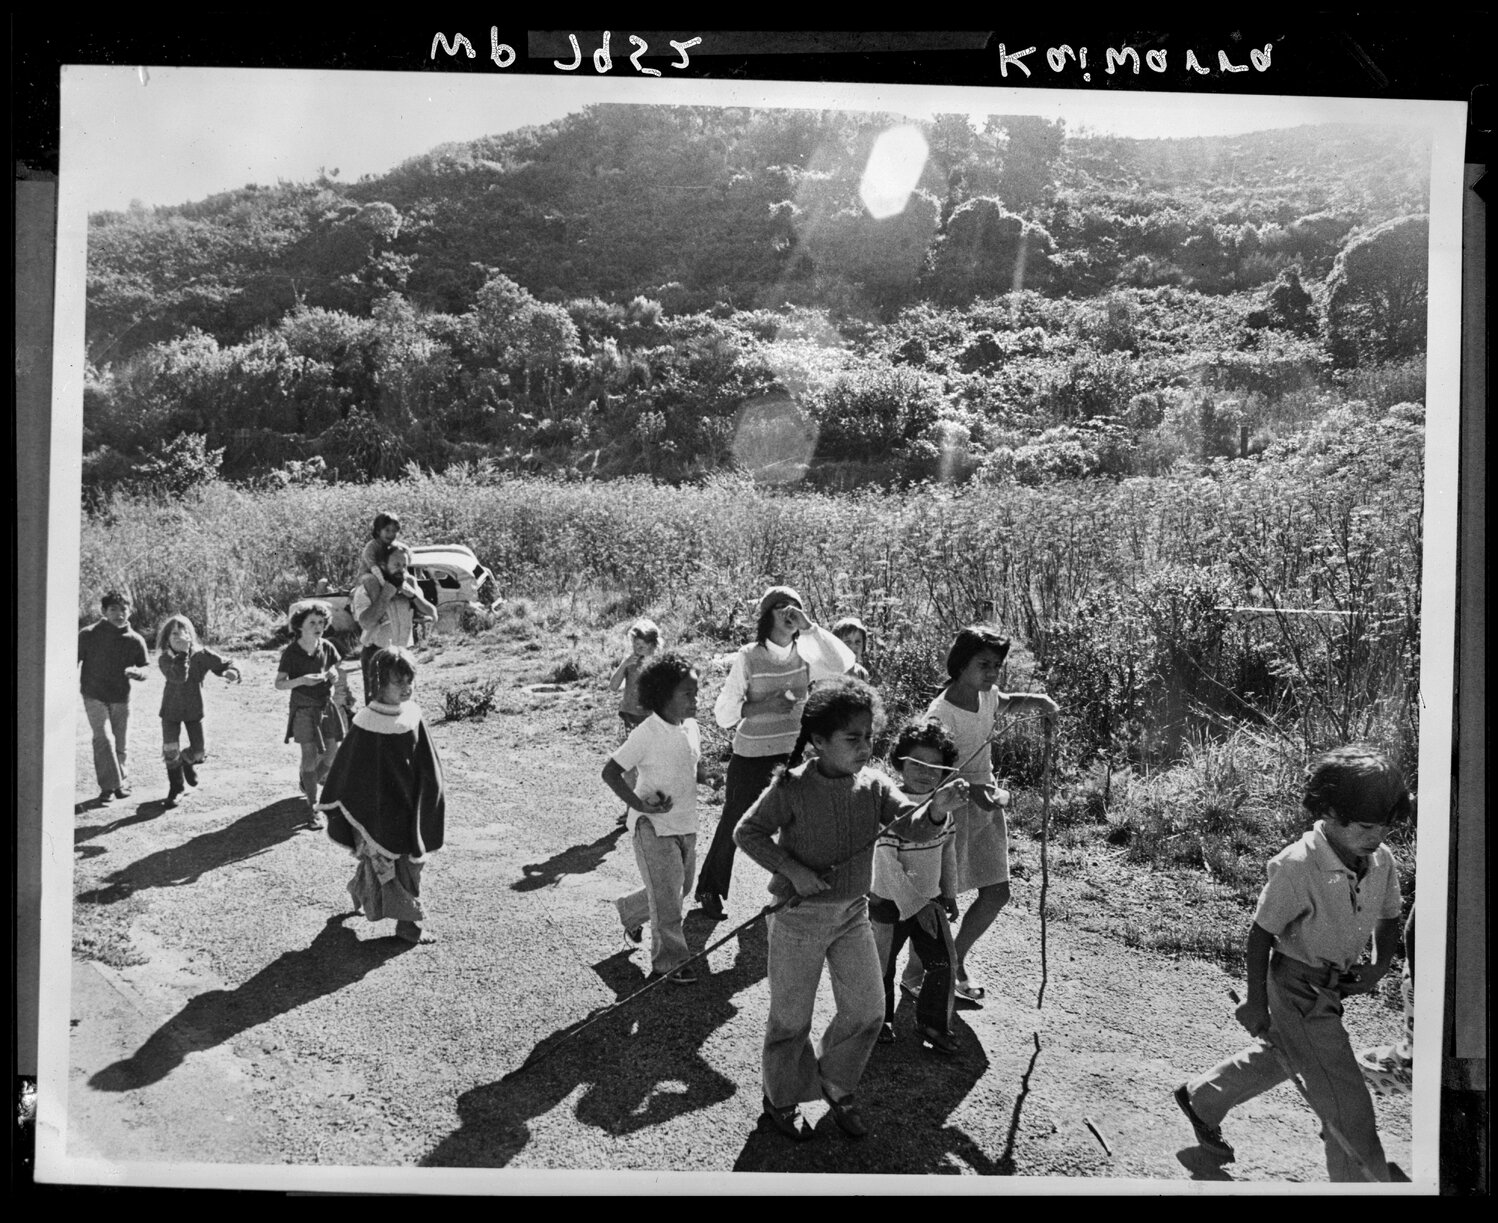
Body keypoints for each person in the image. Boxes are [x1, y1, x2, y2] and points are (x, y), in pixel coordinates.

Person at [734, 678, 963, 1142]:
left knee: (867, 1010)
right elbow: (747, 832)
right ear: (818, 742)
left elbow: (914, 826)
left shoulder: (875, 786)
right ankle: (780, 1096)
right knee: (791, 1019)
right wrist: (792, 870)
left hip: (852, 915)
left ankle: (836, 1082)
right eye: (851, 739)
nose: (864, 748)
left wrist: (936, 809)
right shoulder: (791, 787)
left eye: (869, 738)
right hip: (798, 917)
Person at [1174, 745, 1409, 1182]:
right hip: (1298, 987)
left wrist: (1377, 968)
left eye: (1385, 826)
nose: (1377, 836)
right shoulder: (1297, 866)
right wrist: (1255, 1002)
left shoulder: (1380, 860)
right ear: (1333, 812)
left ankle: (1204, 1099)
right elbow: (1261, 934)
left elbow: (1391, 917)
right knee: (1346, 1104)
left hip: (1332, 985)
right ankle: (1364, 1184)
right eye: (1366, 826)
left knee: (1289, 1052)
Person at [902, 625, 1057, 1006]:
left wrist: (1040, 702)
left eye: (997, 665)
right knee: (936, 897)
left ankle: (954, 961)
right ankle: (915, 973)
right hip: (948, 807)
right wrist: (971, 793)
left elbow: (1006, 702)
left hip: (985, 803)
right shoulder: (941, 714)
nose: (991, 672)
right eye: (983, 664)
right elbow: (929, 772)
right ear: (960, 664)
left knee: (997, 891)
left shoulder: (986, 696)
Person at [695, 586, 854, 921]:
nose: (789, 614)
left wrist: (810, 627)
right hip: (751, 756)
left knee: (796, 827)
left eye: (794, 608)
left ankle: (785, 893)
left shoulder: (807, 654)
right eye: (781, 608)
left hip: (791, 755)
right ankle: (710, 889)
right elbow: (724, 715)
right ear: (767, 616)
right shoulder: (749, 656)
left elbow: (842, 664)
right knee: (735, 824)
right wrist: (763, 705)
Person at [317, 646, 446, 945]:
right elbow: (352, 770)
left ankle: (360, 888)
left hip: (410, 806)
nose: (406, 688)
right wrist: (350, 806)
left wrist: (431, 793)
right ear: (378, 684)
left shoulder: (411, 714)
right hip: (381, 811)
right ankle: (408, 927)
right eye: (397, 682)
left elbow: (427, 760)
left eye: (409, 680)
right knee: (401, 868)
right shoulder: (367, 722)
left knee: (409, 863)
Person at [601, 653, 708, 984]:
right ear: (663, 696)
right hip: (653, 828)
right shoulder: (646, 733)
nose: (696, 699)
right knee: (668, 903)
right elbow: (611, 772)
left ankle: (630, 911)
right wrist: (640, 806)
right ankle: (670, 962)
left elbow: (692, 765)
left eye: (696, 691)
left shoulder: (691, 727)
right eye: (688, 694)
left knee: (680, 890)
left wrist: (708, 778)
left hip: (686, 824)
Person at [870, 718, 962, 1052]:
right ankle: (878, 1022)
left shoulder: (944, 809)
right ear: (900, 763)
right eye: (917, 764)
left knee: (942, 962)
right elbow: (887, 867)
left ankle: (933, 1024)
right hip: (888, 903)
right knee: (881, 964)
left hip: (929, 899)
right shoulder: (891, 809)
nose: (925, 773)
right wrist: (916, 906)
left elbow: (948, 851)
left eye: (935, 766)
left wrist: (948, 892)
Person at [154, 614, 241, 807]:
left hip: (194, 709)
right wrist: (183, 655)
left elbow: (226, 663)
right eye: (173, 633)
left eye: (182, 632)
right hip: (170, 711)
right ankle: (176, 788)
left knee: (199, 752)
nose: (178, 637)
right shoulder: (165, 659)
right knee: (170, 750)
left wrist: (232, 671)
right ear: (166, 638)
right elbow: (177, 677)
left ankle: (187, 761)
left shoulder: (201, 655)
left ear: (190, 635)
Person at [275, 600, 348, 825]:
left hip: (326, 706)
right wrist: (302, 681)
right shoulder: (291, 652)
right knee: (308, 755)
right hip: (304, 709)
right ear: (300, 626)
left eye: (321, 622)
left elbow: (333, 668)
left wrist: (333, 676)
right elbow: (279, 683)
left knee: (333, 754)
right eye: (312, 622)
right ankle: (313, 808)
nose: (318, 626)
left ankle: (309, 782)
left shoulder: (327, 646)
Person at [77, 591, 150, 803]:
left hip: (121, 697)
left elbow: (145, 667)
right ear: (104, 612)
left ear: (130, 611)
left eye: (123, 609)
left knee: (120, 743)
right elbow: (71, 660)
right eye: (113, 609)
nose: (119, 614)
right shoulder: (88, 634)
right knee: (103, 738)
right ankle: (108, 787)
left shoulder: (135, 640)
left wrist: (139, 673)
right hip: (94, 695)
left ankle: (121, 783)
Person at [351, 541, 436, 703]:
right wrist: (385, 595)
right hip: (376, 653)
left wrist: (412, 595)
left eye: (404, 565)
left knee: (405, 703)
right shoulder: (367, 587)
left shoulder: (409, 584)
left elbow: (432, 613)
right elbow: (366, 623)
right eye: (396, 564)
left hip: (403, 653)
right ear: (383, 565)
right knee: (378, 707)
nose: (401, 569)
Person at [608, 618, 660, 735]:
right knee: (628, 749)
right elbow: (613, 687)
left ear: (653, 645)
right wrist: (624, 665)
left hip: (650, 717)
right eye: (635, 645)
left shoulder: (659, 664)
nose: (638, 649)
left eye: (642, 646)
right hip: (628, 714)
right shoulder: (629, 662)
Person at [357, 511, 403, 581]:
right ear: (378, 531)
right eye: (387, 530)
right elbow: (374, 568)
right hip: (369, 580)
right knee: (371, 580)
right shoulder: (372, 547)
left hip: (386, 578)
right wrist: (383, 584)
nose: (391, 534)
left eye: (394, 531)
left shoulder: (393, 546)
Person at [831, 616, 872, 683]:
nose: (853, 646)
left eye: (857, 642)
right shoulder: (829, 671)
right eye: (848, 642)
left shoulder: (862, 674)